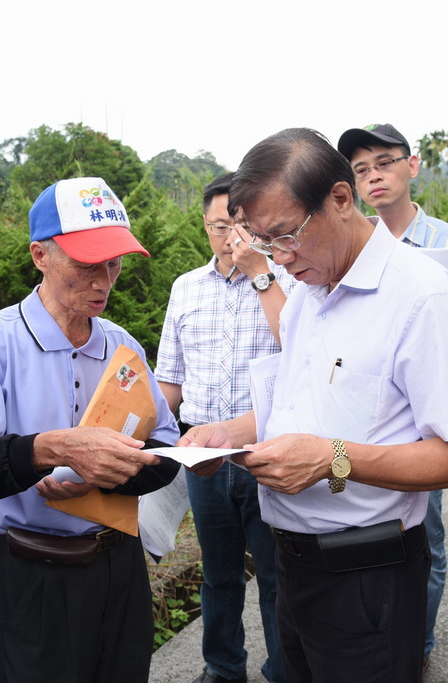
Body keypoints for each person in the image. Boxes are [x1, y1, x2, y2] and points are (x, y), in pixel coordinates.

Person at [183, 128, 448, 682]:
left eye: (285, 236)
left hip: (367, 580)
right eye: (262, 242)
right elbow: (302, 409)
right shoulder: (307, 295)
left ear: (341, 200)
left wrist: (332, 459)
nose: (278, 257)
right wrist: (227, 433)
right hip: (291, 568)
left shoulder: (424, 298)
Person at [0, 176, 181, 683]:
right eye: (88, 263)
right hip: (36, 571)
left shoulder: (121, 345)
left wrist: (108, 473)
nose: (104, 281)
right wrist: (45, 451)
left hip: (120, 566)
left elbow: (165, 448)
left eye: (114, 263)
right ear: (40, 255)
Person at [336, 122, 448, 671]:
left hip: (426, 419)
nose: (373, 177)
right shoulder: (352, 249)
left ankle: (418, 647)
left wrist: (432, 311)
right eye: (361, 170)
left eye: (383, 162)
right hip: (367, 414)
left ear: (413, 164)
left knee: (425, 536)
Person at [156, 173, 294, 683]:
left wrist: (260, 273)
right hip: (205, 462)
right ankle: (222, 667)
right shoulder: (186, 288)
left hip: (269, 454)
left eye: (239, 224)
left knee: (280, 577)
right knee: (218, 575)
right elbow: (169, 381)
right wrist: (137, 434)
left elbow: (301, 353)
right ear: (206, 226)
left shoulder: (288, 281)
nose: (230, 236)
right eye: (219, 225)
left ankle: (283, 669)